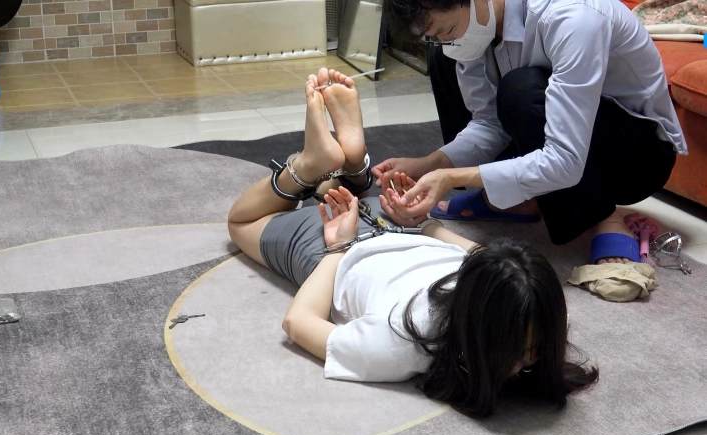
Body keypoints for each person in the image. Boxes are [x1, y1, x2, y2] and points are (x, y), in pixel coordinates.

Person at [227, 68, 598, 417]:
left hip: (397, 224)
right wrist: (339, 247)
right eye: (528, 352)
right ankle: (311, 164)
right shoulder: (401, 341)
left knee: (333, 199)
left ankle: (352, 169)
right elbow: (297, 322)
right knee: (242, 222)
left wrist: (425, 226)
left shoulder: (502, 291)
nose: (531, 360)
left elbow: (489, 257)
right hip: (351, 249)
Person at [375, 0, 687, 265]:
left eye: (448, 30)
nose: (449, 40)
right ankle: (522, 200)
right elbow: (489, 123)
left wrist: (451, 177)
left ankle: (604, 216)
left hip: (637, 156)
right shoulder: (479, 27)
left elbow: (565, 159)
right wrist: (431, 164)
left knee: (520, 89)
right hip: (567, 136)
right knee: (444, 60)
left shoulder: (571, 17)